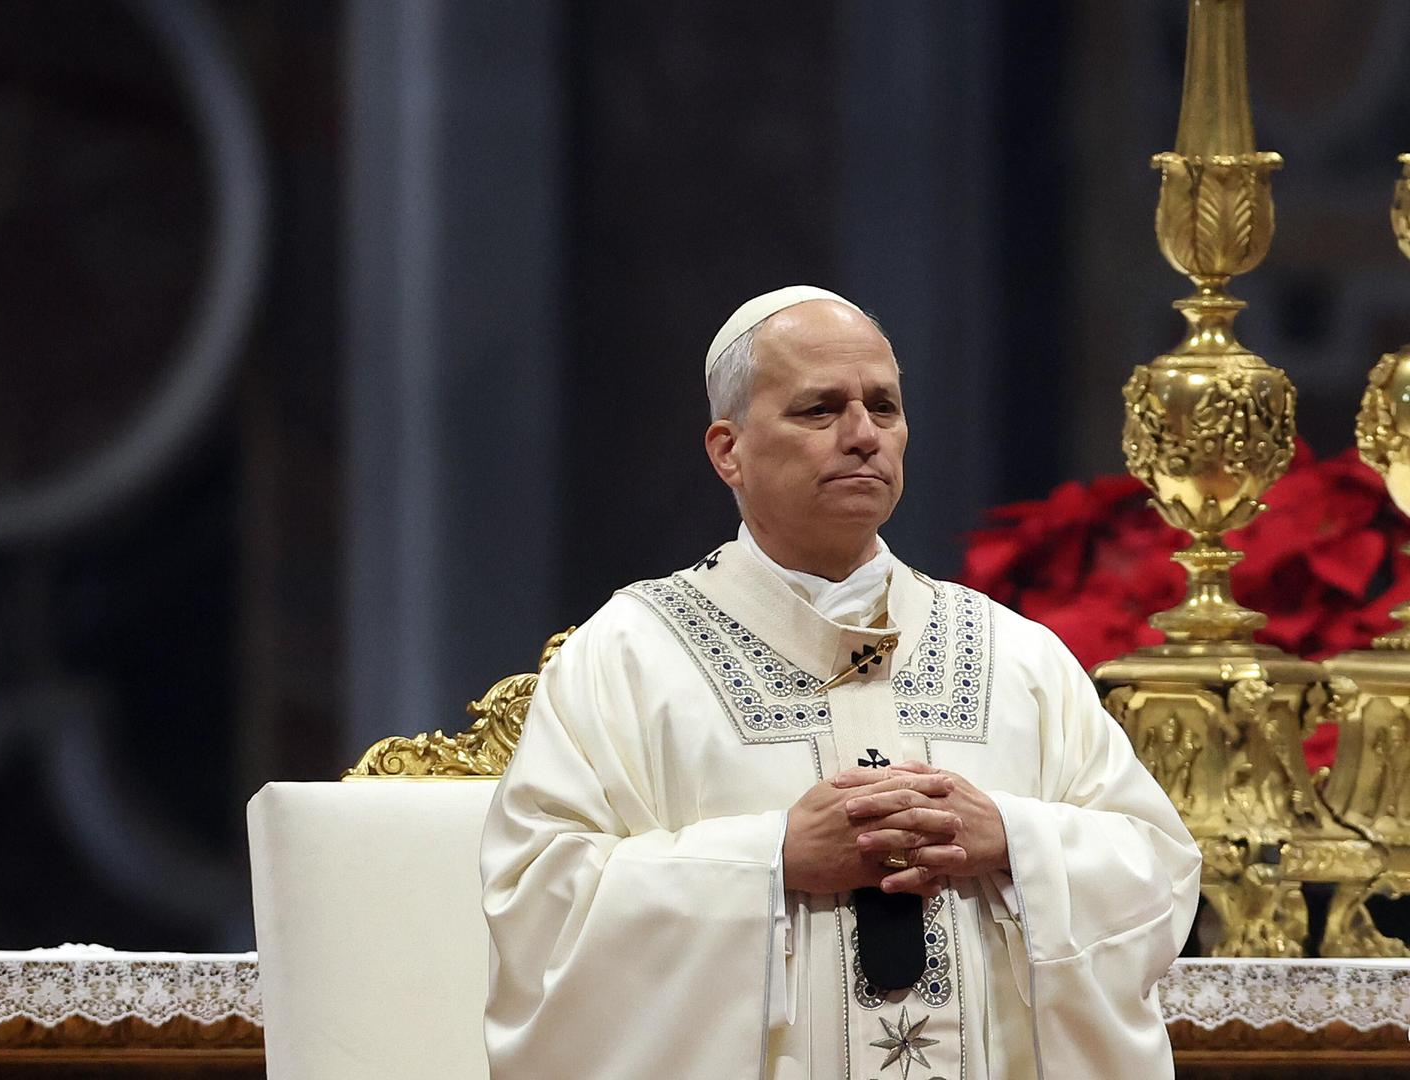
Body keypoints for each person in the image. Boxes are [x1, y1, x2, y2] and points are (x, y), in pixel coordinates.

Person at [480, 286, 1201, 1079]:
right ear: (729, 450)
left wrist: (1011, 838)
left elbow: (1157, 873)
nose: (862, 436)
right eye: (820, 410)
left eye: (883, 408)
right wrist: (774, 858)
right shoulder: (627, 658)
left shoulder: (1015, 657)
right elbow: (540, 908)